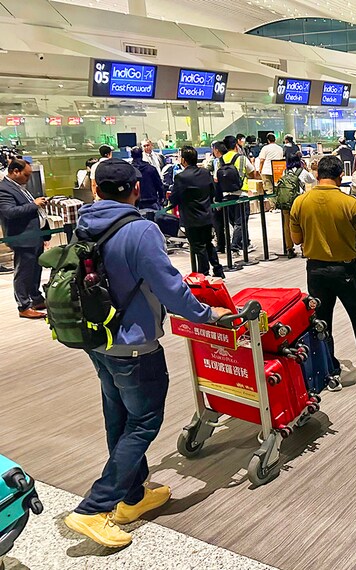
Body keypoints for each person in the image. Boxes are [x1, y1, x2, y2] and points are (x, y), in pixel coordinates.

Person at [63, 158, 231, 548]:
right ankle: (93, 508)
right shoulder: (140, 230)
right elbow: (171, 289)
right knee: (143, 423)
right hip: (134, 344)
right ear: (136, 189)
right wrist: (208, 315)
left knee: (118, 418)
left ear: (95, 189)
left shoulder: (83, 225)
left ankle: (133, 497)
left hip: (97, 339)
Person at [290, 155, 356, 391]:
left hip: (316, 270)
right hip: (346, 269)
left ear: (318, 174)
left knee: (322, 322)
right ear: (341, 175)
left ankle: (331, 373)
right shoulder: (349, 203)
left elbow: (296, 239)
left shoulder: (300, 202)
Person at [0, 158, 49, 319]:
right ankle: (23, 305)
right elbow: (9, 212)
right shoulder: (4, 189)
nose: (28, 179)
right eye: (26, 176)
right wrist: (34, 204)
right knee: (23, 272)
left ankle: (35, 298)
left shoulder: (18, 187)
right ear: (15, 172)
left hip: (34, 235)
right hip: (22, 237)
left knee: (35, 269)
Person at [170, 146, 224, 278]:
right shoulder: (205, 173)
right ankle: (218, 270)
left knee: (198, 247)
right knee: (208, 244)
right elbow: (212, 192)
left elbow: (174, 198)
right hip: (206, 215)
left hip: (191, 218)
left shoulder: (181, 177)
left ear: (183, 160)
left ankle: (203, 275)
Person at [221, 134, 257, 254]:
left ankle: (245, 243)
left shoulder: (220, 160)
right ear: (236, 145)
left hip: (226, 194)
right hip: (241, 193)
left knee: (234, 222)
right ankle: (234, 245)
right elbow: (252, 173)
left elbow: (216, 177)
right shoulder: (242, 158)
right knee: (241, 222)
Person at [280, 152, 315, 259]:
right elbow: (312, 180)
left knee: (287, 225)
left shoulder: (285, 171)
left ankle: (289, 249)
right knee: (303, 224)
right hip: (299, 201)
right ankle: (304, 248)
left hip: (286, 202)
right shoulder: (303, 172)